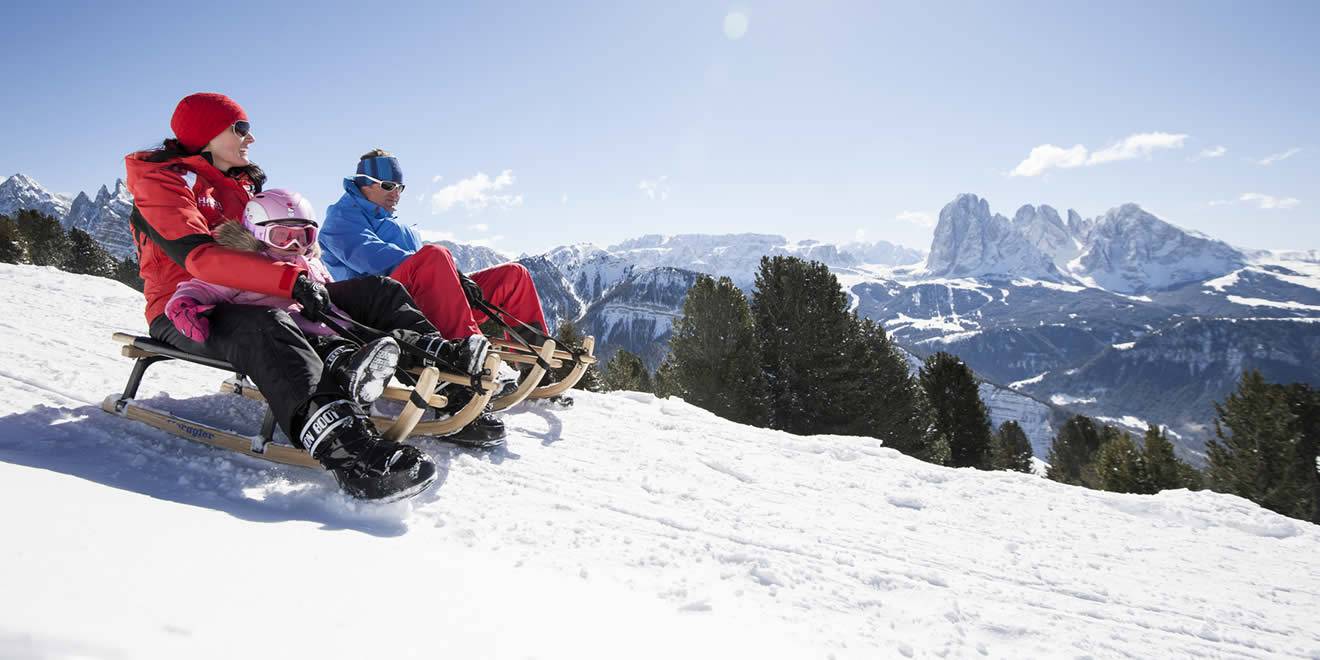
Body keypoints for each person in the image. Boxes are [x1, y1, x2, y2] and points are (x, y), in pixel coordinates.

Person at [124, 93, 438, 501]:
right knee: (267, 326)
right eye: (240, 128)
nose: (250, 138)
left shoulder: (244, 183)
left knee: (378, 292)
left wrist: (306, 264)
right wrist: (287, 281)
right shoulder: (163, 181)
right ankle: (350, 454)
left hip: (263, 294)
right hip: (189, 309)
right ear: (205, 132)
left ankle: (442, 379)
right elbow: (199, 258)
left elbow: (271, 239)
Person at [319, 149, 553, 437]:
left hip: (427, 300)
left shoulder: (400, 228)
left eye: (400, 187)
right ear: (364, 183)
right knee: (434, 255)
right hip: (380, 310)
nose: (397, 194)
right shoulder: (341, 218)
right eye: (389, 186)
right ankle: (463, 368)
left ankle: (536, 365)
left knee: (513, 275)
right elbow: (373, 259)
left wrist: (459, 278)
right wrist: (443, 269)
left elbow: (431, 269)